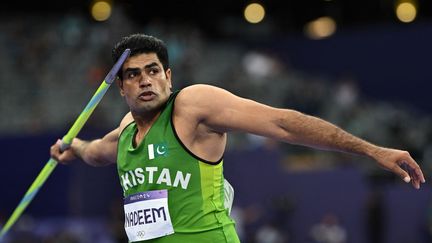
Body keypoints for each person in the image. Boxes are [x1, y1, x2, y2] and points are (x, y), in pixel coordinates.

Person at [50, 33, 425, 243]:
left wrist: (370, 149)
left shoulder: (192, 107)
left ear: (169, 76)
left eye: (153, 70)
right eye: (133, 74)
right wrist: (74, 147)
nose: (145, 80)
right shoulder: (127, 131)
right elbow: (99, 152)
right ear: (120, 87)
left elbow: (284, 123)